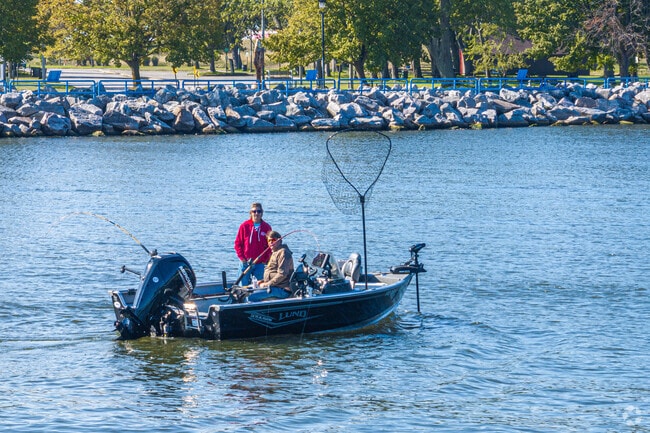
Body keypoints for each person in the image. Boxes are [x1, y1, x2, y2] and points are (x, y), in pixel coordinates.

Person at [247, 231, 294, 302]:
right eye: (269, 240)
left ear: (279, 240)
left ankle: (259, 312)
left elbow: (282, 274)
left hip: (282, 289)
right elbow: (273, 272)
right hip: (273, 286)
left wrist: (266, 284)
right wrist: (262, 281)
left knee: (250, 297)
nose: (271, 242)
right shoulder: (274, 252)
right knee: (245, 292)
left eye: (273, 240)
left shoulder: (283, 253)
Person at [234, 202, 272, 286]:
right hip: (245, 263)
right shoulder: (244, 226)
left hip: (259, 264)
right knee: (242, 286)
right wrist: (242, 258)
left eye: (258, 211)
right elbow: (237, 244)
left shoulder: (266, 227)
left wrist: (265, 259)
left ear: (262, 213)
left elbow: (270, 246)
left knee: (259, 287)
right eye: (254, 211)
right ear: (250, 213)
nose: (256, 214)